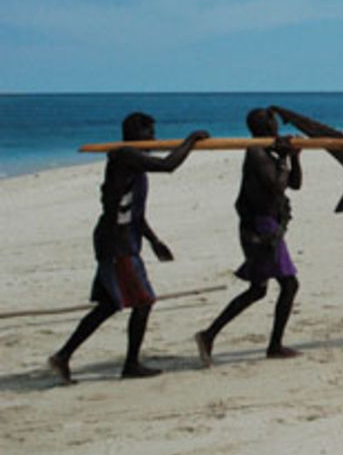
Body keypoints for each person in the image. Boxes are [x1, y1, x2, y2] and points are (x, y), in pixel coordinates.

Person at [48, 113, 209, 384]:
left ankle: (63, 356)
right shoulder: (125, 156)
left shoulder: (132, 162)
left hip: (123, 239)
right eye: (150, 134)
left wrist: (153, 240)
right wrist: (191, 140)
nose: (154, 139)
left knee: (109, 304)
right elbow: (168, 165)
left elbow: (132, 210)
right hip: (117, 244)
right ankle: (130, 364)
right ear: (137, 133)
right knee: (144, 301)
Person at [195, 108, 302, 366]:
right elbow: (276, 184)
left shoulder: (268, 151)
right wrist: (284, 158)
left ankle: (209, 335)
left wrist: (294, 158)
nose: (277, 127)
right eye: (273, 123)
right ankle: (273, 346)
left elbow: (295, 184)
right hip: (261, 227)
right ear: (265, 127)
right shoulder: (255, 152)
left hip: (269, 224)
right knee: (288, 285)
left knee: (258, 290)